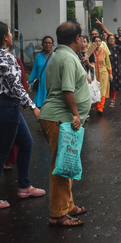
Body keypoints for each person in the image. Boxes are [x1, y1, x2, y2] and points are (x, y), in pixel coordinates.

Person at [0, 21, 45, 209]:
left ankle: (24, 187)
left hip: (1, 104)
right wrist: (33, 106)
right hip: (4, 106)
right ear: (4, 37)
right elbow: (14, 86)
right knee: (1, 153)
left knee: (26, 143)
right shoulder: (4, 56)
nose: (11, 34)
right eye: (9, 32)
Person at [39, 21, 91, 226]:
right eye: (82, 37)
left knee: (67, 163)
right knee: (60, 167)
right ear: (77, 38)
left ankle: (67, 205)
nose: (83, 40)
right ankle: (57, 214)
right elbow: (67, 90)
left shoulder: (61, 55)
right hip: (60, 118)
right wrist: (76, 115)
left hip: (59, 117)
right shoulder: (67, 58)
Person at [28, 36, 54, 109]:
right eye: (45, 43)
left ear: (52, 44)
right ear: (42, 44)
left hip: (52, 84)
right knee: (40, 107)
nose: (47, 44)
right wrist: (29, 81)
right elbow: (34, 71)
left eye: (49, 43)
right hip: (41, 84)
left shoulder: (55, 56)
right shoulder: (38, 56)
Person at [106, 34, 121, 108]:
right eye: (110, 39)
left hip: (116, 68)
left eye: (113, 39)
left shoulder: (117, 47)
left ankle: (112, 100)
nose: (111, 40)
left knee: (114, 84)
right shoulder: (105, 47)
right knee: (106, 84)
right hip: (106, 68)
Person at [90, 35, 112, 115]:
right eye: (96, 41)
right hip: (93, 73)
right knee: (94, 89)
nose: (98, 43)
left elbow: (108, 63)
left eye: (99, 41)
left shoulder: (104, 51)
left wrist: (110, 73)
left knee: (103, 90)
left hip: (103, 73)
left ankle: (100, 107)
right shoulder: (90, 52)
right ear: (93, 43)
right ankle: (97, 107)